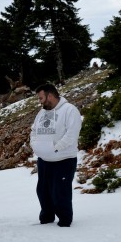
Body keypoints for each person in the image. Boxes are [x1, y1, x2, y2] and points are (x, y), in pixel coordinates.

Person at [29, 83, 82, 227]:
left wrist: (55, 148)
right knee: (42, 191)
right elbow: (33, 130)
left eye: (41, 98)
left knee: (60, 192)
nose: (40, 102)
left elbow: (72, 134)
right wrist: (34, 144)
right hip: (44, 160)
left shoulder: (70, 110)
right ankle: (46, 219)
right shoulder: (42, 113)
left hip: (63, 160)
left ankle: (64, 222)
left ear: (50, 96)